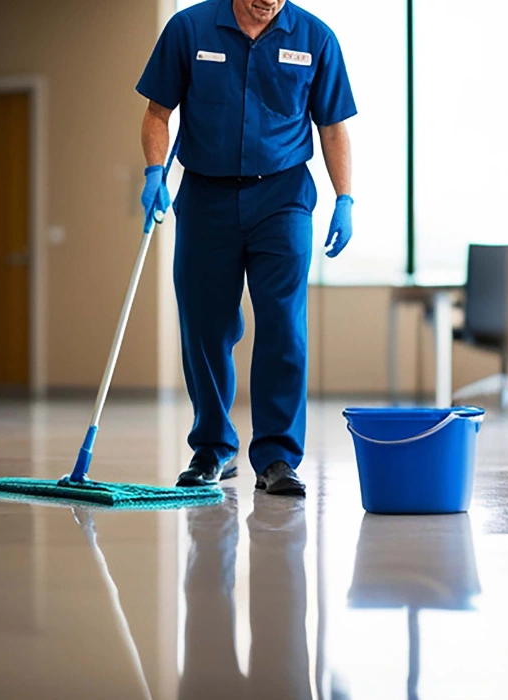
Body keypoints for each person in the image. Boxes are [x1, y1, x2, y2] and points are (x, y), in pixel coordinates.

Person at [137, 0, 356, 498]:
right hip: (206, 196)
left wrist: (344, 197)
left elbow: (332, 125)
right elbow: (156, 113)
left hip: (282, 197)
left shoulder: (315, 38)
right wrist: (154, 171)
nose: (268, 1)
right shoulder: (188, 29)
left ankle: (277, 456)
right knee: (205, 324)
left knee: (283, 325)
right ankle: (213, 449)